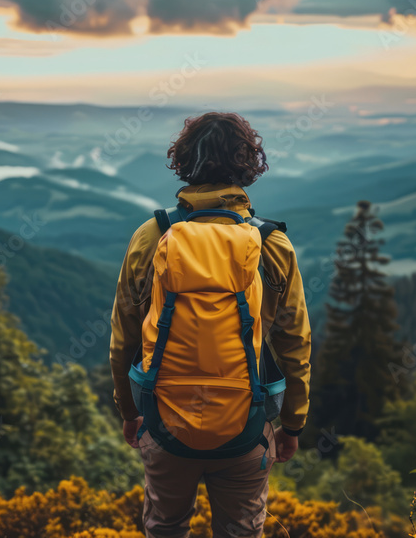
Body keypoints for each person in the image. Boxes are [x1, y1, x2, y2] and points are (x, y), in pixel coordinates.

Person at [108, 111, 312, 538]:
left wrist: (129, 411)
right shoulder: (272, 244)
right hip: (247, 425)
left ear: (183, 161)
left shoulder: (151, 236)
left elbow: (123, 339)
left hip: (163, 422)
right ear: (248, 164)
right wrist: (292, 424)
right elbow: (295, 345)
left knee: (165, 528)